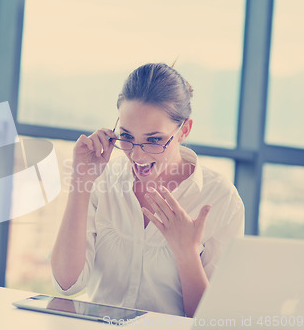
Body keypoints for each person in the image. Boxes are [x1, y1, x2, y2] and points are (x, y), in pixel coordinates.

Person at [50, 62, 245, 318]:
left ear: (184, 130)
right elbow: (66, 284)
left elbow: (214, 321)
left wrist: (186, 253)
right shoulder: (104, 180)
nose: (137, 154)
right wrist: (81, 181)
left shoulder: (219, 198)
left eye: (154, 140)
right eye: (127, 137)